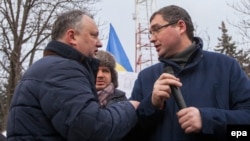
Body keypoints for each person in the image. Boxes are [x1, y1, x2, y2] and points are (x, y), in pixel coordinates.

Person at [7, 10, 139, 141]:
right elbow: (91, 129)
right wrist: (130, 108)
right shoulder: (62, 70)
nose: (99, 43)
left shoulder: (47, 68)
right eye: (94, 35)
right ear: (72, 37)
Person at [123, 5, 250, 141]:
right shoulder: (146, 78)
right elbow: (129, 134)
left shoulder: (226, 67)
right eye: (151, 33)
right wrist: (151, 105)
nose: (151, 38)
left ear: (181, 27)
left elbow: (243, 132)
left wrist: (208, 120)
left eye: (157, 30)